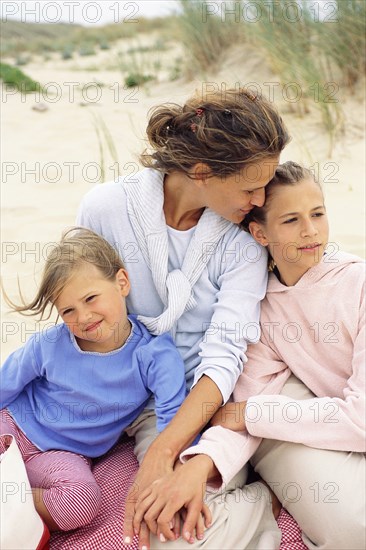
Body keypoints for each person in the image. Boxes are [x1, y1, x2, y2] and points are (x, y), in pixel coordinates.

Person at [76, 87, 290, 549]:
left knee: (174, 534)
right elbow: (80, 299)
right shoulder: (106, 209)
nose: (260, 200)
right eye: (249, 187)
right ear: (201, 172)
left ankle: (257, 502)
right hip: (132, 390)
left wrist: (165, 450)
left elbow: (225, 356)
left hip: (204, 396)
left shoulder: (242, 240)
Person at [145, 161, 365, 549]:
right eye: (291, 220)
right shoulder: (264, 308)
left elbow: (358, 419)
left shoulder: (358, 285)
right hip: (336, 435)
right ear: (259, 233)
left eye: (317, 214)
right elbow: (244, 407)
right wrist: (199, 465)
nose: (311, 231)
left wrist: (250, 414)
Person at [0, 227, 187, 533]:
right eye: (68, 310)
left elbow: (172, 417)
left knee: (81, 503)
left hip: (62, 457)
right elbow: (6, 383)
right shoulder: (49, 345)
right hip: (13, 423)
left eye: (90, 298)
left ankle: (8, 498)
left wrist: (173, 469)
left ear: (122, 282)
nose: (84, 316)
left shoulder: (153, 355)